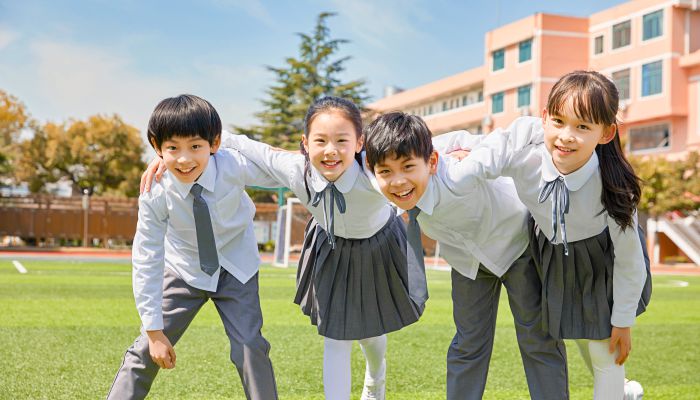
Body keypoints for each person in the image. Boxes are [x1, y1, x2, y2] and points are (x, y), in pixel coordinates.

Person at [142, 96, 427, 400]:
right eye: (320, 140)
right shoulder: (295, 169)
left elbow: (425, 151)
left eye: (342, 141)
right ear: (305, 144)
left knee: (371, 332)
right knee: (336, 336)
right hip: (331, 248)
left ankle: (375, 377)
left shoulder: (375, 171)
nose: (330, 151)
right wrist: (173, 155)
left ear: (360, 143)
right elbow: (239, 143)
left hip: (379, 245)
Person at [443, 70, 651, 399]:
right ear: (544, 118)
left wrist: (623, 321)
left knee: (603, 350)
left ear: (607, 132)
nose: (566, 136)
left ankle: (619, 388)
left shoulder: (615, 192)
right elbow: (490, 151)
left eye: (582, 126)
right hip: (553, 254)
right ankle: (624, 389)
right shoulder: (527, 156)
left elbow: (629, 262)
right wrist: (458, 168)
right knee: (577, 332)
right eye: (558, 121)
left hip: (602, 260)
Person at [363, 111, 569, 400]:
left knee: (538, 339)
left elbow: (517, 133)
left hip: (514, 244)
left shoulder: (461, 172)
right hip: (467, 262)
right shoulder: (379, 177)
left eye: (409, 167)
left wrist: (564, 133)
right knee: (468, 345)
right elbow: (358, 160)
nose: (398, 182)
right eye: (385, 172)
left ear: (432, 162)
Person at [108, 94, 278, 400]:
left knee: (250, 347)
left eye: (195, 146)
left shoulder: (233, 165)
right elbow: (146, 258)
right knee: (145, 350)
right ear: (156, 147)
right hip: (184, 270)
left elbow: (277, 165)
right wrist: (154, 331)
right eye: (172, 148)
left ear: (214, 143)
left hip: (236, 266)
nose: (185, 159)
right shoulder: (155, 192)